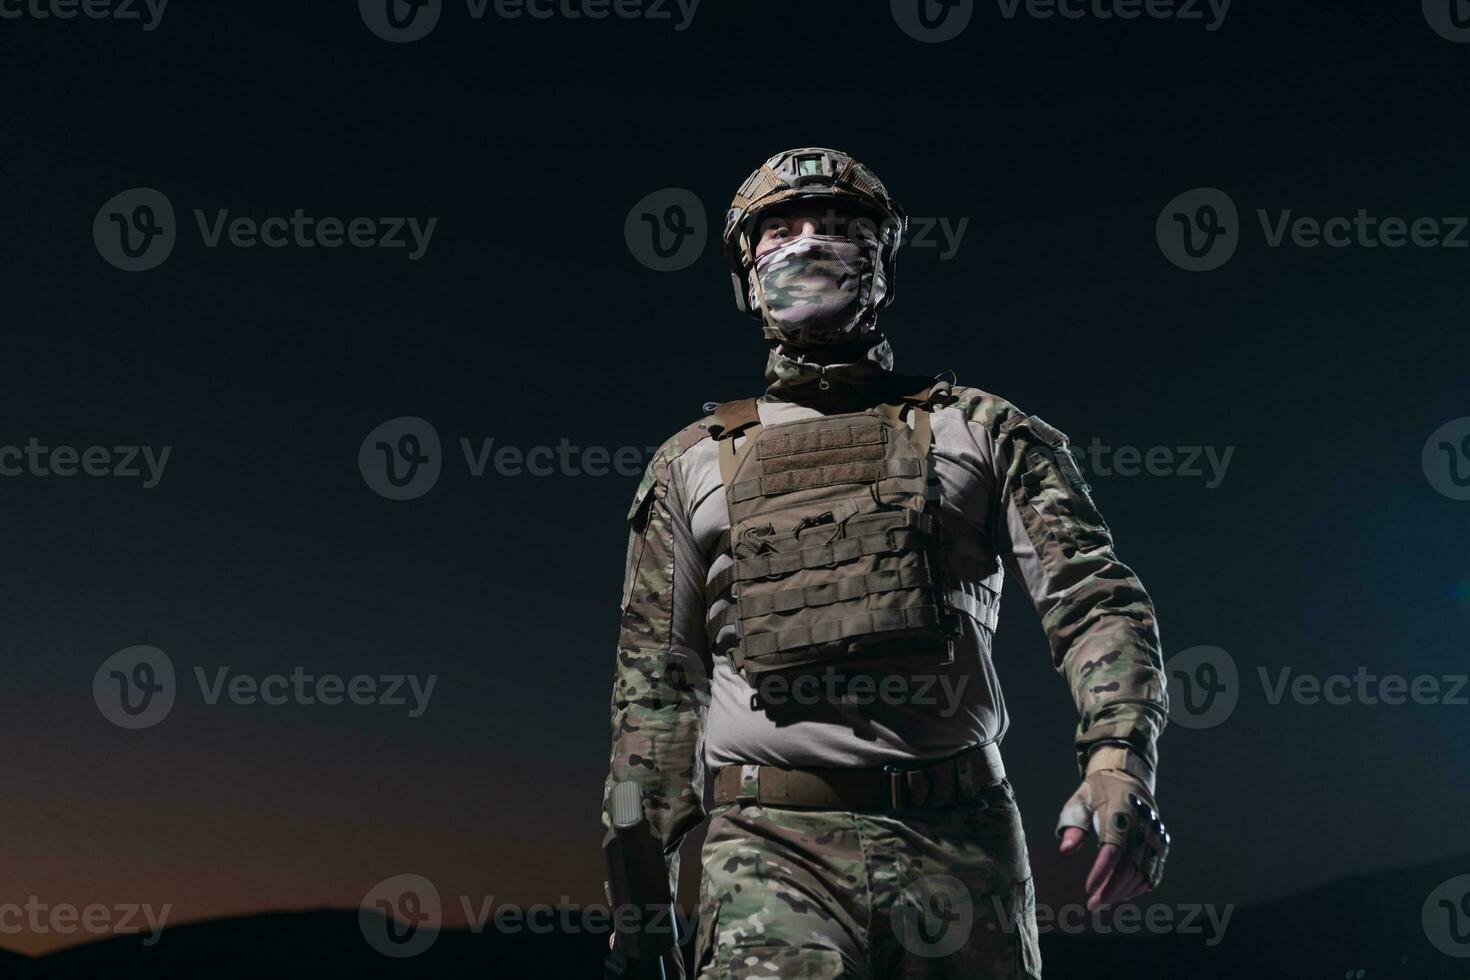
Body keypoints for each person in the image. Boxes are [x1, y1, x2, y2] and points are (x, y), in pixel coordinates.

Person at [603, 147, 1170, 979]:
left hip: (960, 842)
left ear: (882, 261)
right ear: (746, 271)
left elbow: (1094, 601)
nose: (807, 243)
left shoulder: (982, 431)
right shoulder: (688, 465)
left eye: (838, 225)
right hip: (767, 853)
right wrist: (640, 917)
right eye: (779, 228)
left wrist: (1119, 760)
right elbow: (653, 697)